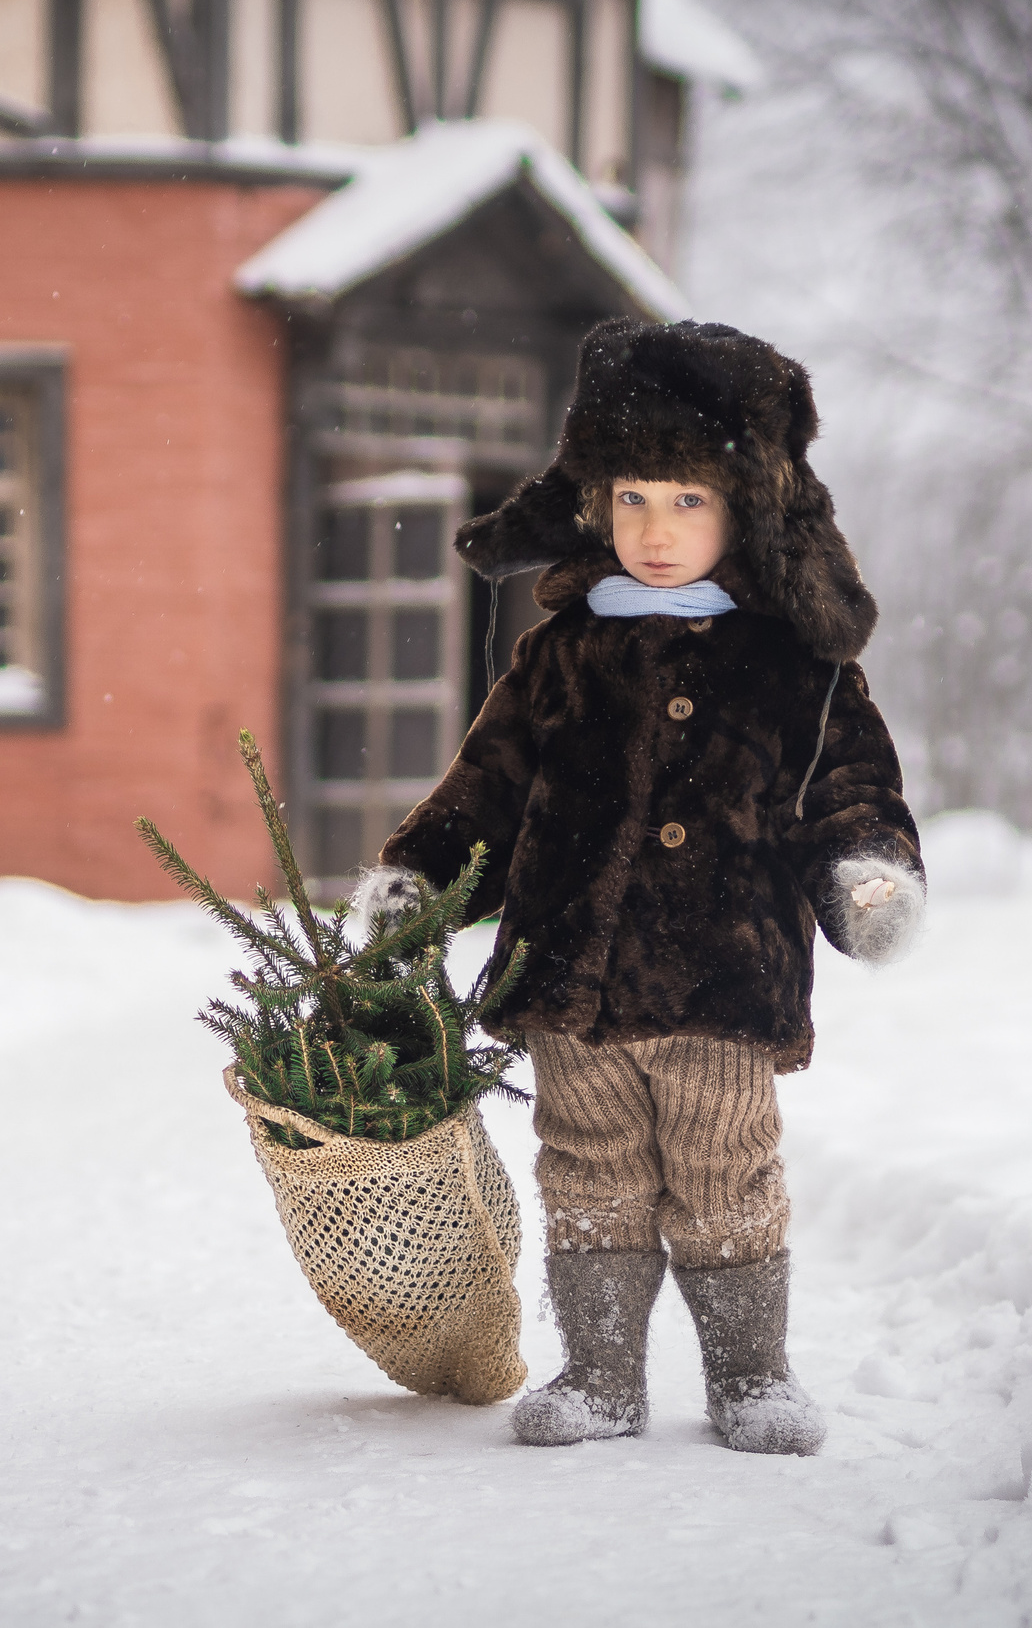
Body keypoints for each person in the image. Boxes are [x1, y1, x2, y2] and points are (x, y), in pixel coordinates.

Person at [354, 318, 923, 1456]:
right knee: (589, 1170)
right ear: (594, 503)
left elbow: (849, 790)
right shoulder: (561, 653)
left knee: (724, 1173)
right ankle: (600, 1374)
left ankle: (751, 1375)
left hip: (723, 977)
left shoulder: (794, 666)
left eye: (688, 501)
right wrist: (418, 881)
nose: (656, 531)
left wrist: (865, 876)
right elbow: (486, 788)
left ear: (745, 508)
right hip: (572, 974)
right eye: (632, 499)